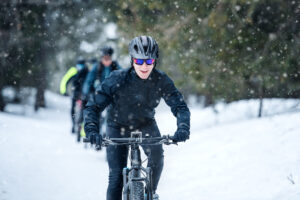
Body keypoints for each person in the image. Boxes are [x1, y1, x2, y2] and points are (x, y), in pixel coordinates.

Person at [84, 36, 190, 200]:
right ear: (133, 60)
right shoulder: (117, 79)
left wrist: (183, 127)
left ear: (155, 61)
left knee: (157, 156)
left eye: (149, 62)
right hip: (117, 125)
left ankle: (150, 193)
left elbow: (179, 106)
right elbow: (94, 106)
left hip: (145, 124)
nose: (144, 66)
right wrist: (91, 130)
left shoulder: (161, 80)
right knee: (116, 177)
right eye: (140, 62)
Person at [82, 46, 121, 137]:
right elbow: (88, 81)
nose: (107, 61)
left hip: (112, 95)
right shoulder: (97, 67)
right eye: (105, 58)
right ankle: (97, 135)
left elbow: (122, 77)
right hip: (98, 94)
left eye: (109, 58)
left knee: (112, 115)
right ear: (102, 58)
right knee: (97, 114)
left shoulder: (116, 66)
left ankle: (110, 134)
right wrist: (86, 93)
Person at [60, 58, 89, 133]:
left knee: (83, 109)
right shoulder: (73, 70)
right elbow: (65, 80)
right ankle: (73, 125)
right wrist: (63, 91)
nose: (79, 67)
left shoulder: (87, 71)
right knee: (73, 109)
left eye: (81, 65)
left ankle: (81, 127)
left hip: (84, 93)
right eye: (78, 65)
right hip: (75, 92)